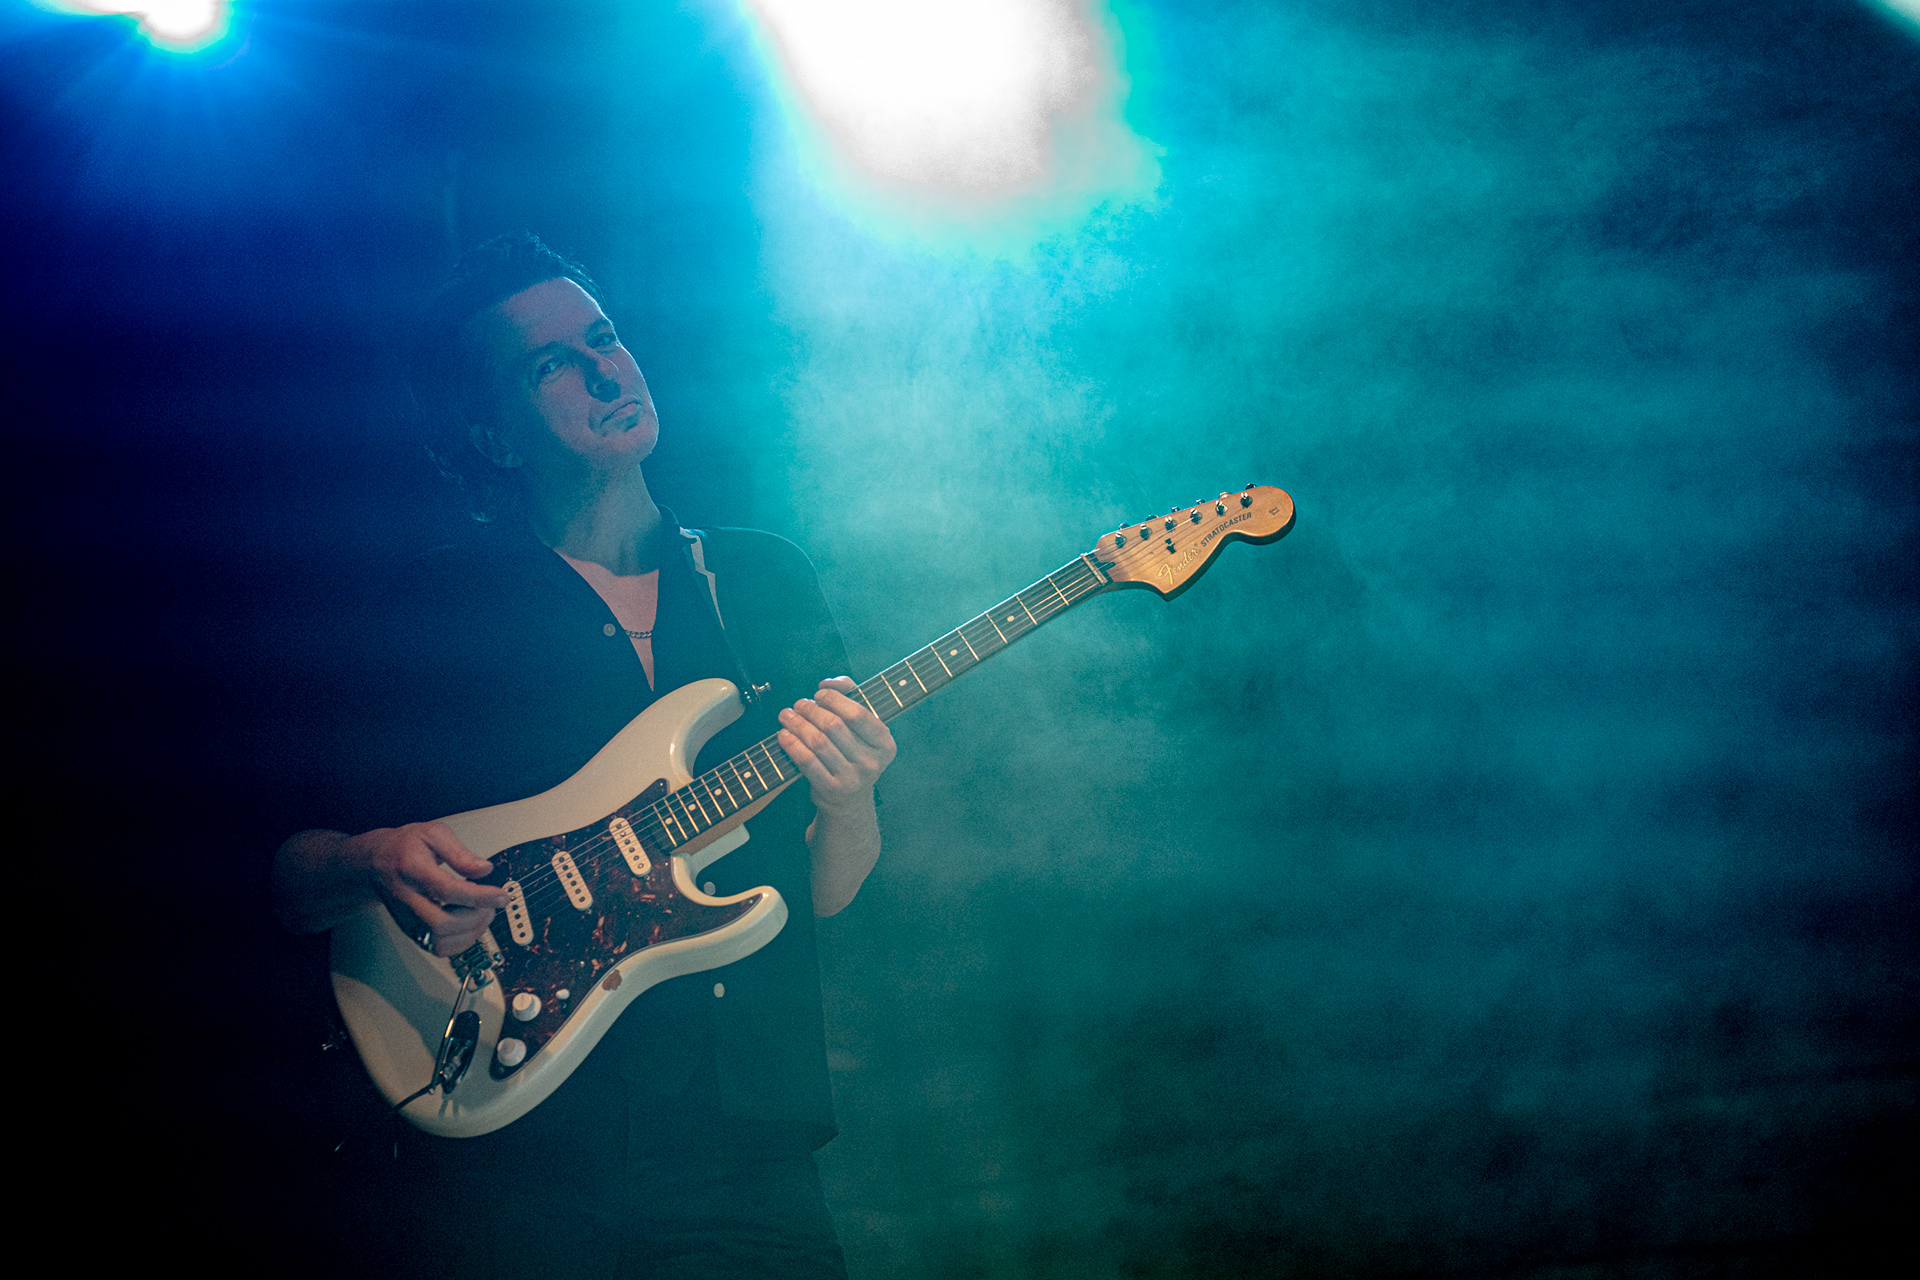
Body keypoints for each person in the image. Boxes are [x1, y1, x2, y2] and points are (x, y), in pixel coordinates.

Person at [271, 233, 894, 1276]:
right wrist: (373, 860)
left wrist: (851, 799)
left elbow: (825, 893)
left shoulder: (760, 580)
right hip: (516, 1159)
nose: (608, 371)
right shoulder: (433, 608)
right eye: (552, 363)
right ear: (493, 434)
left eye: (605, 336)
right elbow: (292, 875)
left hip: (744, 1147)